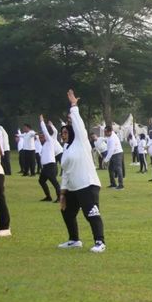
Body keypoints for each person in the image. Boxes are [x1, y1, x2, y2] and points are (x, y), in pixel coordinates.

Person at [58, 89, 106, 253]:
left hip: (87, 184)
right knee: (66, 212)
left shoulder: (81, 142)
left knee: (91, 213)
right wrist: (63, 193)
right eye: (62, 133)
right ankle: (74, 240)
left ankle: (100, 242)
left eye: (65, 132)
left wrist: (73, 106)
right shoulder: (66, 150)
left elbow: (78, 126)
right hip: (72, 187)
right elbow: (65, 172)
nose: (63, 135)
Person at [38, 115, 61, 202]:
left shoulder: (50, 140)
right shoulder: (44, 145)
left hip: (50, 165)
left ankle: (59, 198)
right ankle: (48, 197)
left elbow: (46, 130)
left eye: (42, 137)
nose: (41, 139)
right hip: (46, 167)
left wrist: (41, 121)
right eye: (40, 137)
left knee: (54, 182)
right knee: (41, 181)